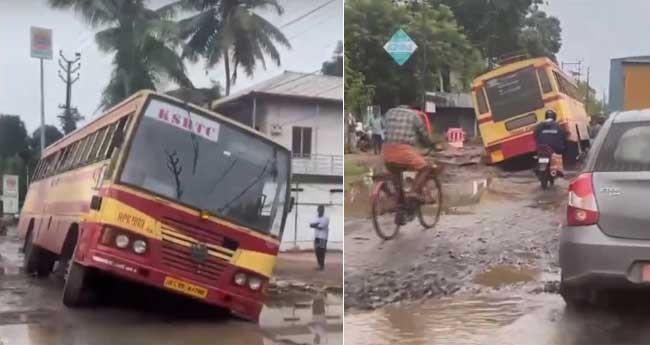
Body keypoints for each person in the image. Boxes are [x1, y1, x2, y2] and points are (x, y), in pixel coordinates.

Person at [382, 105, 436, 206]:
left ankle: (399, 205)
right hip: (403, 151)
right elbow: (423, 135)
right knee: (425, 167)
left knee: (397, 177)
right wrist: (431, 145)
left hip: (386, 151)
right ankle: (413, 192)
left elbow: (385, 128)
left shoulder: (389, 112)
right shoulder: (415, 116)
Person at [309, 205, 329, 271]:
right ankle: (319, 265)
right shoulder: (316, 217)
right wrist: (317, 224)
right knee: (317, 251)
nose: (321, 211)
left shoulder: (326, 218)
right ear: (318, 210)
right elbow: (310, 225)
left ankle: (322, 266)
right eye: (320, 209)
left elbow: (321, 227)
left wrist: (315, 224)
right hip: (317, 237)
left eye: (322, 210)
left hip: (323, 237)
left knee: (321, 252)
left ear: (323, 211)